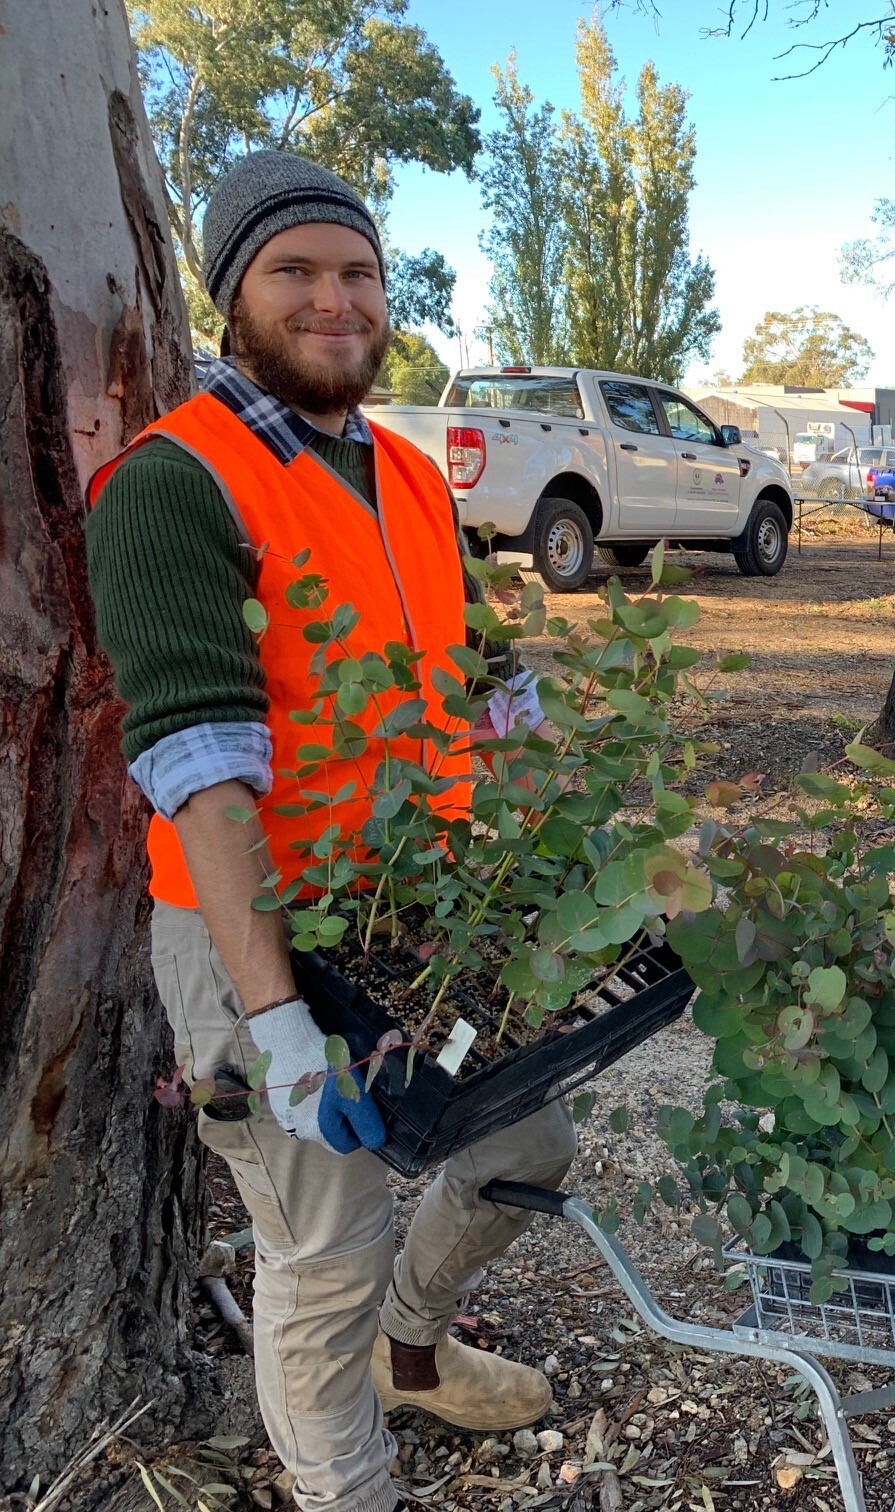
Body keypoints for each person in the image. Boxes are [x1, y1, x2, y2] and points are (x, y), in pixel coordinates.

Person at [84, 151, 571, 1512]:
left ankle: (408, 1359)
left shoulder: (407, 473)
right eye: (294, 271)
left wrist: (556, 845)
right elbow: (202, 775)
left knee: (524, 1150)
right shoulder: (175, 484)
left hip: (423, 922)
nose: (334, 298)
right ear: (233, 294)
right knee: (324, 1248)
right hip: (266, 941)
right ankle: (349, 1491)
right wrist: (279, 1023)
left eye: (356, 272)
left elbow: (491, 685)